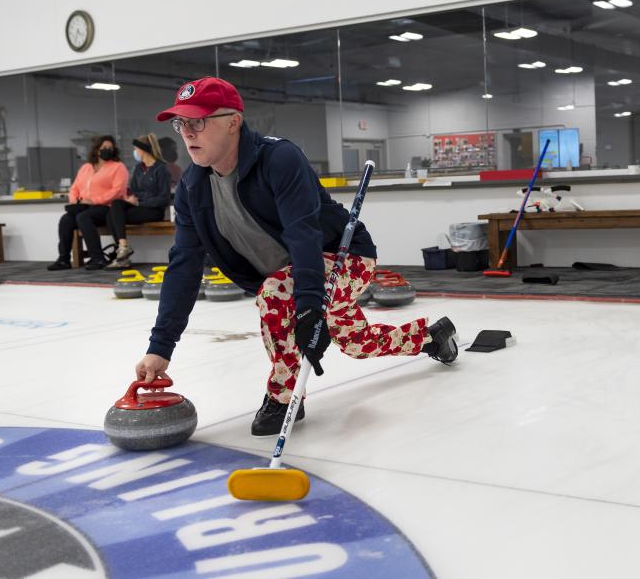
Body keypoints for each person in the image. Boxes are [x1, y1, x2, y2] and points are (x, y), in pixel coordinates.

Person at [132, 77, 458, 436]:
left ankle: (285, 395)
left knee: (275, 294)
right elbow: (184, 266)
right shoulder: (193, 187)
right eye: (181, 124)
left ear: (232, 121)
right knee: (356, 344)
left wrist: (307, 306)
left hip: (342, 258)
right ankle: (430, 336)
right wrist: (160, 347)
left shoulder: (279, 158)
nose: (187, 133)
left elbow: (304, 234)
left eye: (198, 121)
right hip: (290, 276)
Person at [47, 136, 128, 271]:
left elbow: (118, 191)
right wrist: (75, 201)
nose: (107, 150)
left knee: (83, 217)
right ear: (97, 150)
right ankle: (64, 259)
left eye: (110, 148)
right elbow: (74, 188)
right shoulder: (86, 167)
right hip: (84, 207)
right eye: (104, 148)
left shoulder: (118, 167)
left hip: (106, 208)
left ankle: (98, 258)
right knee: (66, 219)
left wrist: (95, 201)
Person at [106, 134, 173, 269]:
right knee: (115, 207)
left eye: (136, 149)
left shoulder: (161, 169)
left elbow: (163, 198)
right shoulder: (138, 168)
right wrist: (132, 198)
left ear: (143, 149)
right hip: (139, 207)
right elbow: (135, 190)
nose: (135, 152)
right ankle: (123, 247)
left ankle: (122, 254)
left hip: (154, 211)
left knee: (112, 216)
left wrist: (140, 202)